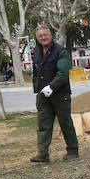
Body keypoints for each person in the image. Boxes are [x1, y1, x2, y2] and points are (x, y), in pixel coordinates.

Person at [30, 24, 79, 163]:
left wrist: (52, 87)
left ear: (51, 35)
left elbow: (63, 73)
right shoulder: (37, 51)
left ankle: (73, 151)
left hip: (60, 94)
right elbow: (35, 72)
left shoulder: (61, 51)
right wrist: (38, 89)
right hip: (43, 96)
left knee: (65, 123)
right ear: (37, 38)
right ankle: (42, 154)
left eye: (45, 35)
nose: (43, 37)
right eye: (40, 36)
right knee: (43, 124)